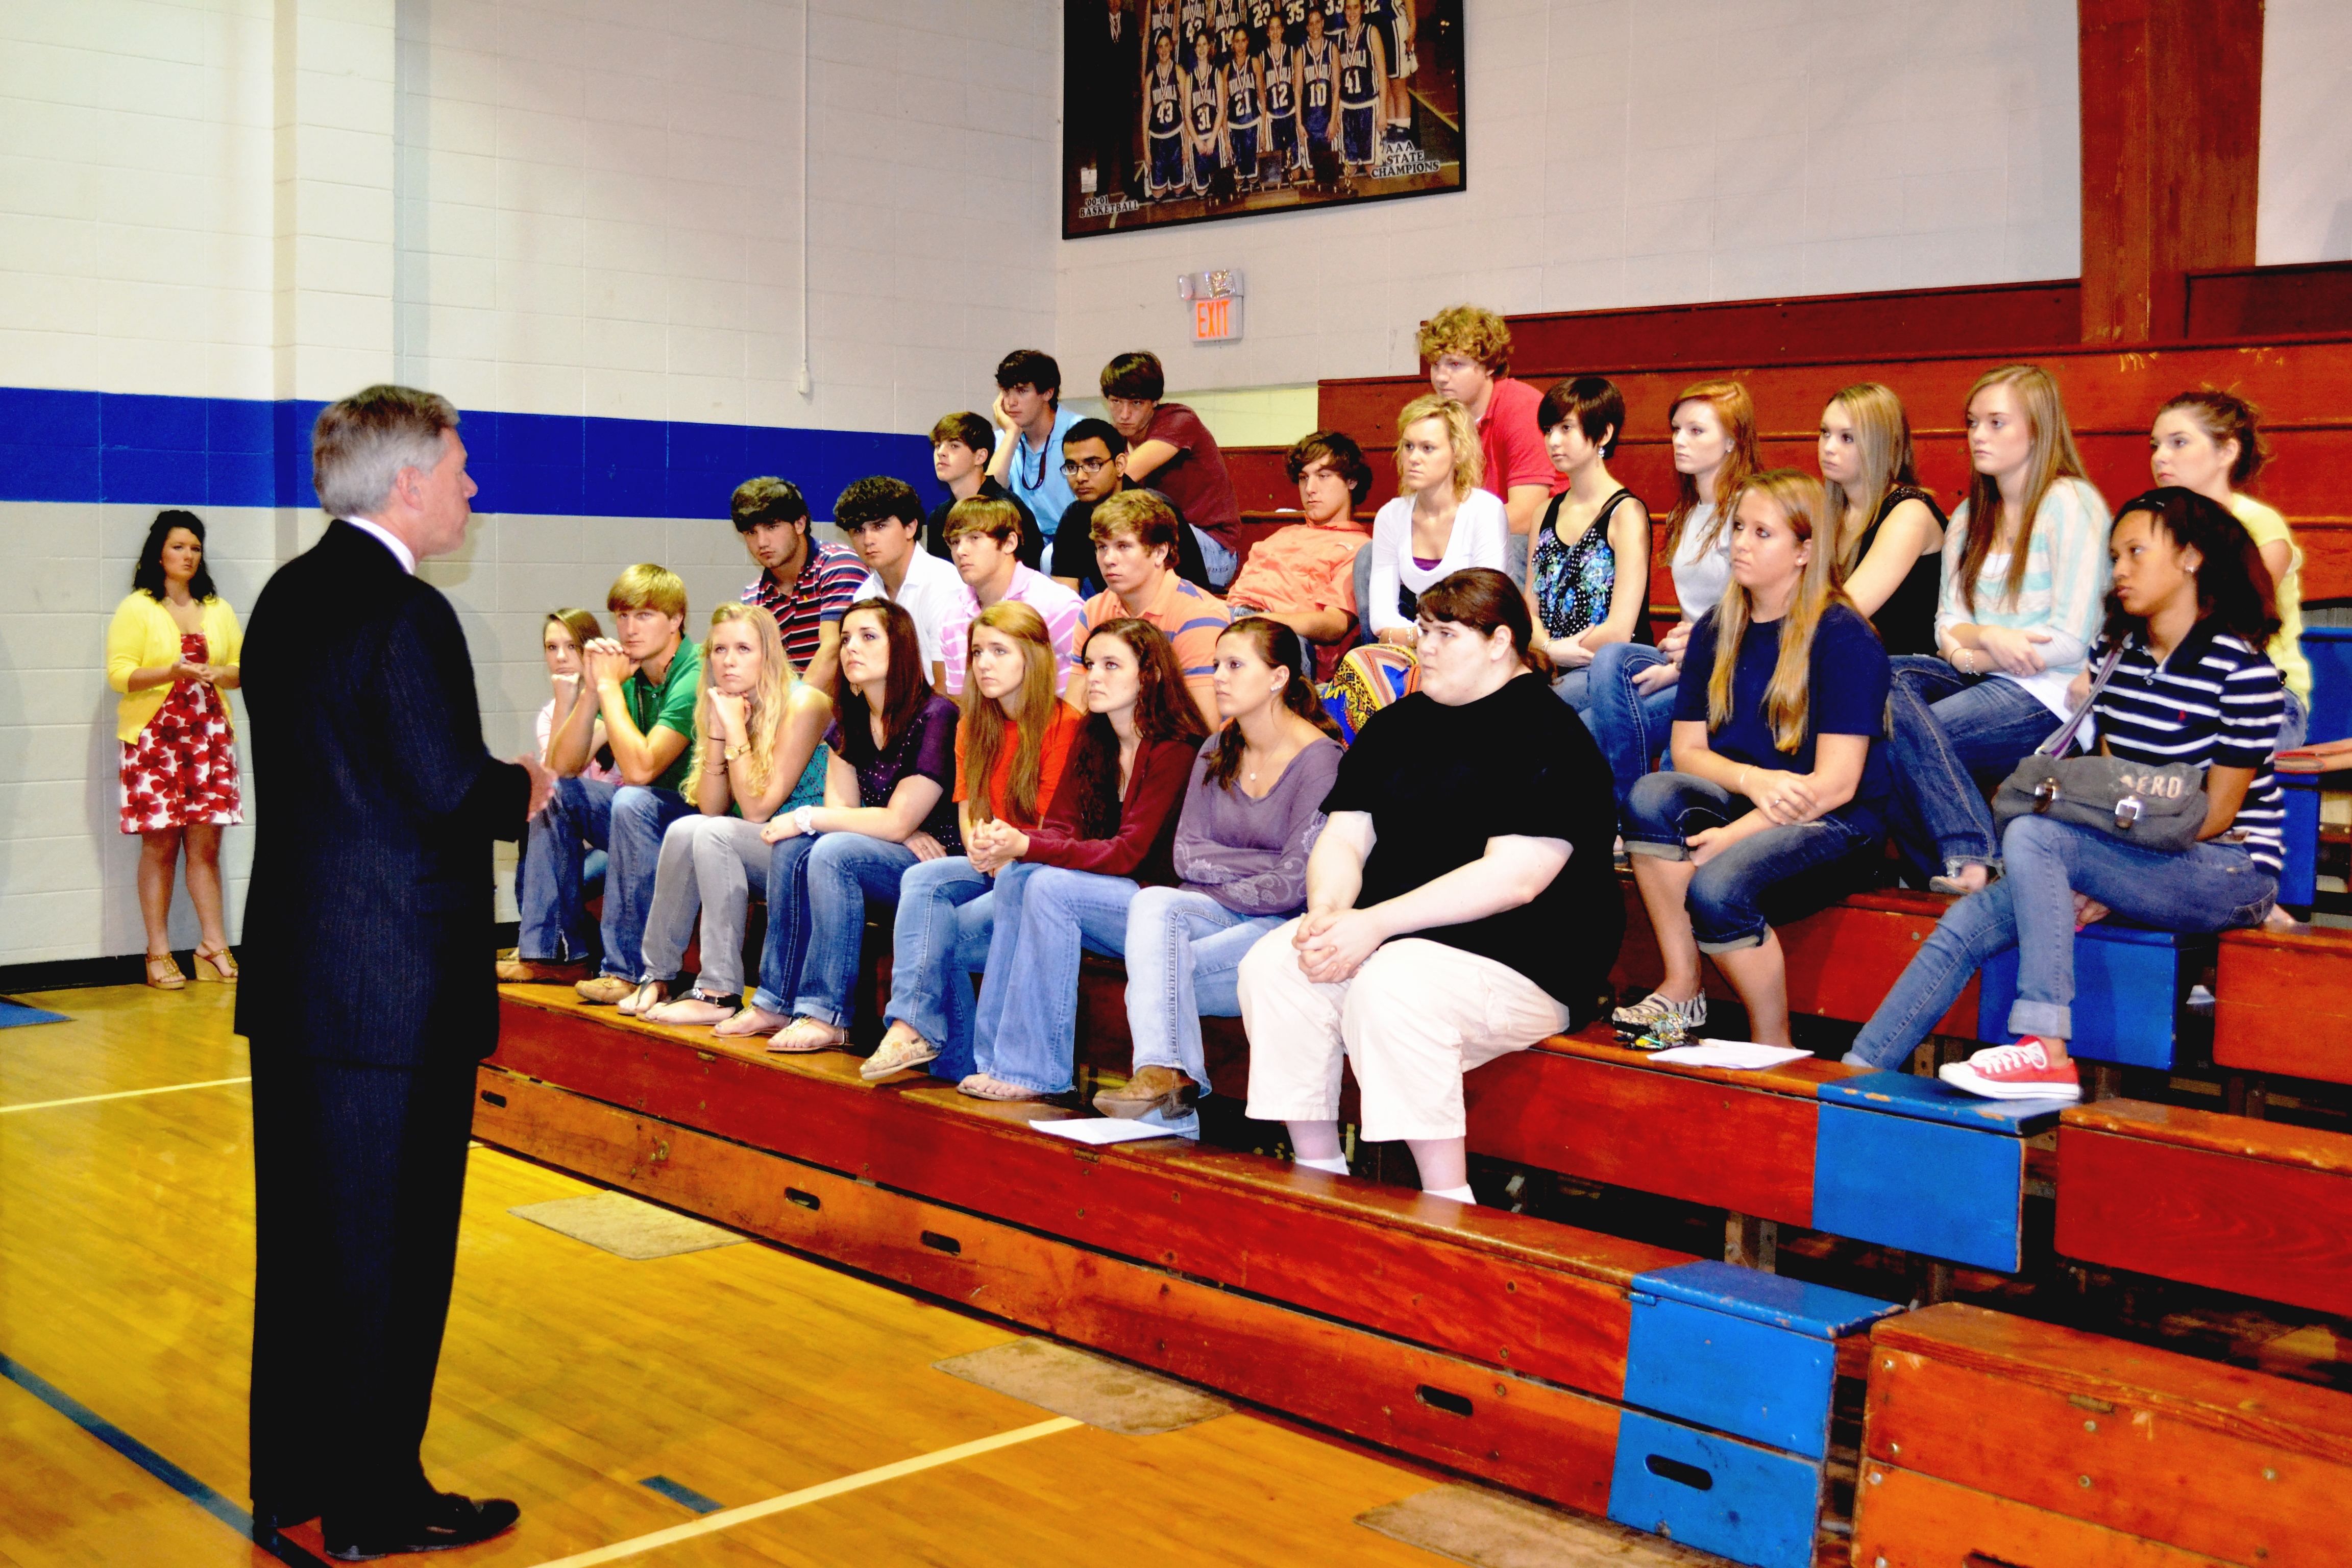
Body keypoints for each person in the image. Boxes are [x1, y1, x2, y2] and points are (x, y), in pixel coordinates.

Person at [238, 385, 546, 1556]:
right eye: (462, 466)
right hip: (396, 987)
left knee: (310, 1246)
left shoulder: (283, 592)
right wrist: (524, 783)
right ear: (410, 479)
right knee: (394, 1251)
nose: (473, 486)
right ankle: (373, 1505)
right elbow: (441, 787)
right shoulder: (407, 613)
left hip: (305, 972)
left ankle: (300, 1482)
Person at [1849, 487, 2286, 1100]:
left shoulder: (2244, 671)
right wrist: (2110, 873)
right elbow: (2114, 789)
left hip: (2230, 867)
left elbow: (2217, 813)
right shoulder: (2116, 655)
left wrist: (2114, 874)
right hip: (2146, 853)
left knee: (2034, 834)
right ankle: (1855, 1075)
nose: (2121, 570)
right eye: (2115, 556)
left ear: (2191, 559)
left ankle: (2046, 1047)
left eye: (2136, 552)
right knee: (1969, 920)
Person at [1238, 570, 1621, 1204]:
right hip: (1396, 942)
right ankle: (1319, 1177)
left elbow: (1518, 879)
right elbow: (1344, 837)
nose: (1427, 647)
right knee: (1277, 964)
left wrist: (1376, 923)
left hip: (1526, 962)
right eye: (1423, 630)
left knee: (1398, 984)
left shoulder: (1551, 733)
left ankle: (1447, 1201)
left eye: (1447, 633)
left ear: (1500, 642)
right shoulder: (1399, 725)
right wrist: (1330, 912)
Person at [1613, 472, 1895, 1043]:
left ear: (1805, 552)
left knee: (1717, 890)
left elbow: (1838, 784)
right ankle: (1682, 988)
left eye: (1762, 533)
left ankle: (1775, 1046)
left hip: (1837, 821)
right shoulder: (1720, 626)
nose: (1741, 542)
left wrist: (1739, 833)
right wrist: (1754, 781)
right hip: (1758, 798)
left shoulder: (1843, 636)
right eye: (1739, 527)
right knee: (1649, 797)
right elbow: (1688, 751)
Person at [1093, 618, 1345, 1130]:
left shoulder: (1321, 760)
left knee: (1161, 964)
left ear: (1278, 678)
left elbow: (1294, 882)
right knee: (1153, 906)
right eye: (1216, 665)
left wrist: (1229, 873)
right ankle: (1164, 1079)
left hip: (1281, 930)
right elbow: (1186, 854)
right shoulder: (1215, 747)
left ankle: (1170, 1113)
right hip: (1215, 911)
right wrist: (1256, 868)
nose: (1220, 678)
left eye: (1235, 665)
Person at [959, 620, 1211, 1100]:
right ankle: (994, 1059)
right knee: (1017, 878)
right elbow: (1060, 828)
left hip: (1158, 910)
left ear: (1150, 676)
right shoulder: (1094, 737)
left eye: (1111, 665)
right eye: (1089, 664)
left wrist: (1028, 845)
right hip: (1109, 899)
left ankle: (1036, 1071)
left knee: (1045, 884)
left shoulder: (1177, 749)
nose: (1093, 676)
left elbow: (1129, 855)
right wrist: (1008, 842)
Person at [1884, 365, 2111, 893]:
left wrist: (1976, 648)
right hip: (1977, 676)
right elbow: (1946, 628)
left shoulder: (2072, 504)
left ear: (2038, 429)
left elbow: (2070, 641)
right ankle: (1951, 876)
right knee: (1882, 677)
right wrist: (1990, 641)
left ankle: (1965, 859)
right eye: (1972, 423)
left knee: (1888, 743)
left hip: (2048, 693)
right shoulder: (1967, 517)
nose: (1978, 436)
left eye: (1996, 423)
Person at [862, 604, 1088, 1083]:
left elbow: (1053, 826)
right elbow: (970, 811)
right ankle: (912, 1030)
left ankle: (956, 1059)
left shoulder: (1067, 725)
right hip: (988, 860)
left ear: (1034, 657)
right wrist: (981, 848)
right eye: (977, 652)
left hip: (1036, 867)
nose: (983, 663)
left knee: (940, 931)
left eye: (999, 651)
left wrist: (1001, 852)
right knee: (923, 878)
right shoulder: (972, 724)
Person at [737, 600, 964, 1047]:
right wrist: (885, 824)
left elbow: (890, 821)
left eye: (867, 637)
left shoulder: (937, 715)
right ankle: (774, 1003)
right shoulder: (851, 721)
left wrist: (807, 817)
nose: (850, 649)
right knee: (795, 848)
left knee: (828, 849)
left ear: (899, 648)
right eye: (845, 639)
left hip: (934, 865)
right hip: (888, 849)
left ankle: (829, 1014)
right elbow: (846, 815)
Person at [500, 566, 703, 996]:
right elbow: (560, 767)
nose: (629, 629)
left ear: (676, 620)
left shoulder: (695, 672)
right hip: (649, 816)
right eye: (622, 617)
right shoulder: (631, 673)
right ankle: (554, 955)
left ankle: (626, 971)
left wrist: (610, 688)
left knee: (633, 800)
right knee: (555, 794)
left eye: (644, 616)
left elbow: (642, 770)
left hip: (703, 819)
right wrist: (592, 690)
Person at [628, 604, 832, 1025]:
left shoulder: (805, 703)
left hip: (809, 847)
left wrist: (735, 730)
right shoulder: (725, 704)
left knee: (714, 834)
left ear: (768, 656)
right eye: (719, 649)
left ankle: (719, 991)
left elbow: (758, 808)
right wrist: (719, 731)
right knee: (688, 828)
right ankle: (658, 975)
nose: (729, 660)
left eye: (743, 648)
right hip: (761, 842)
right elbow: (712, 805)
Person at [1583, 380, 1758, 812]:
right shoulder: (1686, 511)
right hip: (1691, 660)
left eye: (1697, 431)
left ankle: (1627, 810)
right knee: (1608, 667)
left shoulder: (1748, 511)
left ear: (1732, 440)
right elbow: (1688, 619)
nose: (1680, 440)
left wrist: (1685, 666)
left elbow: (1754, 616)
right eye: (1676, 429)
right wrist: (1679, 664)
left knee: (1598, 720)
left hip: (1734, 666)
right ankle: (1627, 807)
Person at [108, 509, 244, 990]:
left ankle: (211, 946)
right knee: (161, 845)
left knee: (206, 847)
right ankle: (158, 952)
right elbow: (120, 674)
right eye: (179, 547)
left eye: (195, 548)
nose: (188, 556)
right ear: (159, 554)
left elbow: (240, 669)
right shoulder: (138, 608)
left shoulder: (218, 608)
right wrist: (172, 671)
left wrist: (217, 674)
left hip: (208, 739)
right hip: (155, 741)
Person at [2150, 390, 2308, 751]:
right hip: (2178, 691)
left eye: (2179, 443)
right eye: (2155, 446)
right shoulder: (2151, 527)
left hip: (2264, 697)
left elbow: (2232, 618)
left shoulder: (2259, 525)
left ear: (2227, 452)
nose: (2160, 457)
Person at [1525, 377, 1650, 713]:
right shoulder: (1544, 512)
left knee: (1535, 711)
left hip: (1606, 665)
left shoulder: (1626, 513)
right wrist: (1550, 649)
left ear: (1604, 435)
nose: (1553, 440)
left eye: (1567, 428)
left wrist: (1558, 651)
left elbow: (1621, 628)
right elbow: (1530, 610)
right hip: (1549, 659)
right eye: (1549, 429)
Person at [1422, 305, 1561, 581]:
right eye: (1436, 365)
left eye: (1455, 364)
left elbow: (1525, 516)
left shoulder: (1521, 407)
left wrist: (1447, 530)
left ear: (1489, 366)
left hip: (1538, 542)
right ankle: (1404, 627)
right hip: (1472, 536)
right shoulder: (1441, 418)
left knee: (1507, 549)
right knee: (1372, 556)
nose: (1440, 377)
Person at [512, 609, 619, 968]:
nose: (560, 656)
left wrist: (578, 699)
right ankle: (553, 953)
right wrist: (563, 701)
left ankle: (553, 952)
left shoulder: (616, 703)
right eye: (551, 647)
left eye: (571, 646)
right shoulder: (549, 713)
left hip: (613, 838)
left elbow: (560, 773)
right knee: (530, 825)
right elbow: (550, 779)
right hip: (569, 840)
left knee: (544, 872)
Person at [1071, 489, 1231, 720]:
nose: (1108, 559)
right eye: (1102, 547)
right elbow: (1075, 709)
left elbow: (1204, 726)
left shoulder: (1199, 616)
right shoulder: (1094, 610)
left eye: (1123, 546)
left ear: (1160, 552)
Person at [1362, 393, 1508, 646]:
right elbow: (1381, 618)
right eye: (1408, 446)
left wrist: (1417, 638)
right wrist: (1420, 638)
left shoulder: (1485, 510)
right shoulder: (1390, 515)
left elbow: (1486, 609)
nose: (1414, 458)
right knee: (1361, 660)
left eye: (1427, 448)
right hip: (1414, 641)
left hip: (1475, 644)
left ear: (1458, 453)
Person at [1224, 430, 1376, 668]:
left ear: (1351, 481)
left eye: (1323, 476)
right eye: (1304, 478)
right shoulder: (1282, 535)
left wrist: (1266, 620)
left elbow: (1334, 626)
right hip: (1232, 618)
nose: (1310, 489)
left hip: (1286, 638)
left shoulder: (1359, 548)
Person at [1817, 382, 1946, 655]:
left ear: (1882, 446)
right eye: (1825, 432)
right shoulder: (1831, 512)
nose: (1828, 447)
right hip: (1851, 667)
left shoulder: (1910, 513)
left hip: (1904, 675)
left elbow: (1843, 614)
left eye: (1847, 438)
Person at [1102, 350, 1244, 586]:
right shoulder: (1115, 437)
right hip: (1160, 540)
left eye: (1136, 403)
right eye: (1116, 402)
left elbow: (1121, 477)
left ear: (1155, 401)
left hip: (1213, 550)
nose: (1124, 414)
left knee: (1130, 546)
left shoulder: (1178, 420)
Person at [1046, 415, 1212, 597]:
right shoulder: (1074, 517)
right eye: (1072, 467)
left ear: (1120, 465)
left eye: (1092, 465)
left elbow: (1189, 589)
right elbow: (1065, 599)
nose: (1080, 477)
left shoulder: (1154, 511)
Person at [733, 476, 869, 697]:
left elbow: (833, 650)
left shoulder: (838, 565)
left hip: (846, 715)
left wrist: (792, 714)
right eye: (751, 532)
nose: (762, 542)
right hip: (792, 712)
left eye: (772, 527)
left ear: (800, 524)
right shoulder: (753, 599)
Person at [938, 495, 1087, 696]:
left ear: (1009, 543)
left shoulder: (1058, 605)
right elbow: (961, 702)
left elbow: (1093, 680)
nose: (961, 551)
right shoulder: (951, 619)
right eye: (955, 542)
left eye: (974, 538)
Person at [837, 475, 963, 689]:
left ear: (911, 528)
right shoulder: (864, 596)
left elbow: (949, 692)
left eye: (879, 526)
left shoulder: (943, 584)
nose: (868, 540)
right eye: (858, 530)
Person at [988, 350, 1083, 540]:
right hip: (1025, 542)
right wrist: (1013, 435)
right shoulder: (1004, 439)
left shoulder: (1080, 433)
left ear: (1048, 393)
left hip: (1076, 539)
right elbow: (990, 495)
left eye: (1022, 391)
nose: (1011, 402)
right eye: (1006, 391)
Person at [926, 411, 1042, 565]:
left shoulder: (1007, 509)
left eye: (954, 446)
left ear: (980, 457)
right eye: (938, 446)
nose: (941, 453)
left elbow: (1028, 571)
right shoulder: (939, 517)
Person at [1333, 0, 1387, 176]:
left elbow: (1382, 74)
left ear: (1362, 9)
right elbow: (1337, 81)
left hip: (1368, 108)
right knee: (1350, 171)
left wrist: (1383, 111)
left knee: (1372, 169)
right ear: (1344, 11)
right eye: (1348, 8)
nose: (1352, 12)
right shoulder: (1339, 39)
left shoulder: (1372, 32)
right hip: (1347, 109)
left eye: (1356, 7)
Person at [1144, 27, 1190, 200]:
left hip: (1176, 139)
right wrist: (1146, 151)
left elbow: (1186, 111)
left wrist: (1186, 143)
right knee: (1158, 197)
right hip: (1157, 142)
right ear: (1156, 50)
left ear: (1172, 47)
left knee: (1180, 194)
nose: (1163, 50)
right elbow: (1145, 116)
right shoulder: (1150, 77)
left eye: (1166, 46)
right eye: (1160, 47)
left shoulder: (1179, 72)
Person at [1221, 27, 1265, 190]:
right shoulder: (1227, 69)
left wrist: (1263, 132)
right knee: (1238, 181)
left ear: (1248, 42)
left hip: (1253, 125)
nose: (1240, 45)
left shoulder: (1254, 63)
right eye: (1237, 41)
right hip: (1235, 128)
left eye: (1243, 41)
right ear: (1232, 44)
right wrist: (1226, 139)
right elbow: (1224, 107)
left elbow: (1262, 97)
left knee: (1254, 179)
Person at [1183, 27, 1224, 195]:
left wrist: (1213, 139)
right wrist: (1198, 142)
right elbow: (1187, 115)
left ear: (1209, 48)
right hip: (1198, 141)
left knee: (1221, 190)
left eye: (1204, 45)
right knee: (1201, 193)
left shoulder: (1217, 75)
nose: (1201, 49)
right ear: (1195, 49)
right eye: (1198, 45)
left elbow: (1221, 110)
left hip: (1215, 139)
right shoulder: (1189, 79)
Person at [1260, 23, 1303, 183]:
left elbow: (1298, 87)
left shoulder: (1292, 52)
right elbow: (1262, 94)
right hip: (1273, 119)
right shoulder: (1262, 57)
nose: (1276, 32)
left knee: (1296, 174)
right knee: (1275, 175)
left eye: (1279, 28)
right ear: (1268, 33)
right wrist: (1264, 129)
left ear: (1283, 30)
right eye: (1272, 29)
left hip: (1290, 115)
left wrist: (1300, 119)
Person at [1298, 4, 1339, 172]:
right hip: (1309, 123)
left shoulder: (1332, 48)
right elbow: (1298, 91)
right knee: (1310, 174)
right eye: (1311, 24)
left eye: (1318, 22)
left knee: (1331, 172)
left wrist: (1334, 120)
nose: (1315, 27)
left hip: (1326, 121)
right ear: (1307, 27)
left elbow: (1337, 87)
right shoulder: (1301, 52)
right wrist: (1299, 124)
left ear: (1323, 23)